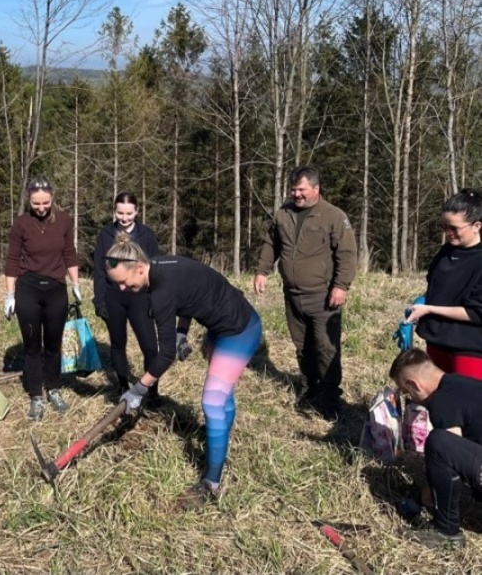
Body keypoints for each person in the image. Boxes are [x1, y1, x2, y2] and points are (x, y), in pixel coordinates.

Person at [106, 232, 263, 509]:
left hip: (239, 331)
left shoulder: (160, 292)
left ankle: (211, 483)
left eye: (123, 282)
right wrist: (182, 331)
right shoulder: (159, 266)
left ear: (139, 268)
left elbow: (165, 354)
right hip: (222, 326)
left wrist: (139, 389)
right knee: (221, 398)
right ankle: (218, 444)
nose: (122, 288)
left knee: (213, 401)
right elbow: (189, 292)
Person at [254, 166, 357, 419]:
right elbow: (271, 243)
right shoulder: (283, 214)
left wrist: (341, 286)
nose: (296, 194)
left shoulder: (333, 216)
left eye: (301, 189)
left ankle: (330, 399)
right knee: (302, 347)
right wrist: (262, 271)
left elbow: (347, 253)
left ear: (316, 188)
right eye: (293, 190)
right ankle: (309, 390)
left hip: (323, 296)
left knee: (326, 349)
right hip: (292, 296)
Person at [4, 176, 82, 421]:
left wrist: (76, 284)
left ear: (52, 198)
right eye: (36, 203)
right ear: (29, 200)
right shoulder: (21, 224)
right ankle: (36, 395)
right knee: (32, 346)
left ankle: (54, 389)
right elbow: (12, 259)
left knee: (53, 344)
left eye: (45, 203)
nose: (41, 208)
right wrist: (9, 294)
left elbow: (69, 253)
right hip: (28, 289)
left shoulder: (64, 220)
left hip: (56, 288)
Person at [390, 348, 482, 549]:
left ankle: (445, 532)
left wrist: (422, 497)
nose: (411, 399)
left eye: (407, 393)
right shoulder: (463, 384)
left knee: (439, 443)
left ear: (415, 385)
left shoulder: (442, 401)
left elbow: (450, 457)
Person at [93, 192, 163, 404]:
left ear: (137, 212)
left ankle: (151, 390)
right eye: (120, 213)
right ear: (114, 211)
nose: (124, 218)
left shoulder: (147, 235)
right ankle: (123, 385)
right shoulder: (105, 235)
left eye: (129, 214)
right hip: (113, 296)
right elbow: (99, 270)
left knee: (149, 346)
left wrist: (155, 299)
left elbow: (155, 268)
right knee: (118, 343)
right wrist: (99, 300)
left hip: (140, 297)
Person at [407, 189, 482, 379]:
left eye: (454, 228)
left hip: (469, 348)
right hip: (436, 341)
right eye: (444, 226)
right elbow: (435, 287)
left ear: (476, 226)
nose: (448, 233)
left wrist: (429, 309)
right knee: (437, 394)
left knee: (466, 396)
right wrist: (421, 302)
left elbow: (475, 313)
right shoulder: (446, 251)